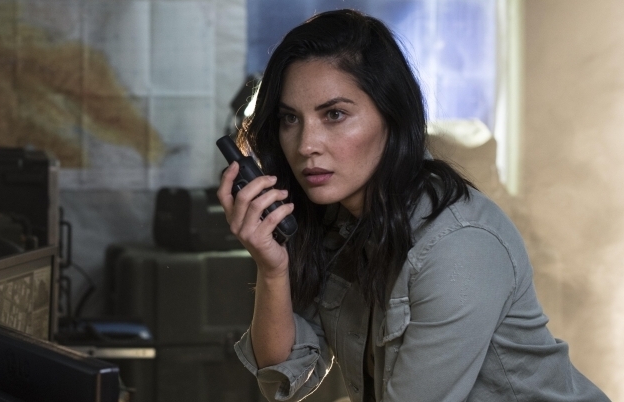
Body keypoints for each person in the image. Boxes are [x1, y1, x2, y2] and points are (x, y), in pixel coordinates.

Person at [216, 9, 609, 402]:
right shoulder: (339, 224)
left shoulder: (458, 245)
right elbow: (284, 377)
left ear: (392, 115)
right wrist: (272, 269)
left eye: (334, 115)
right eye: (290, 119)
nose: (306, 145)